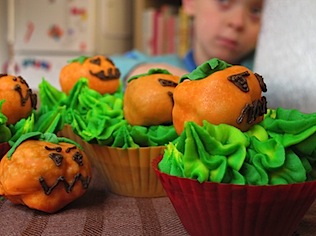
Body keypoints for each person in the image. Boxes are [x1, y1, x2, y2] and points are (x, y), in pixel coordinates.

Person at [111, 0, 264, 86]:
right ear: (190, 3)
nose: (237, 22)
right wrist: (136, 71)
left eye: (256, 11)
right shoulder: (162, 65)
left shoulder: (264, 77)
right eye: (223, 1)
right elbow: (103, 67)